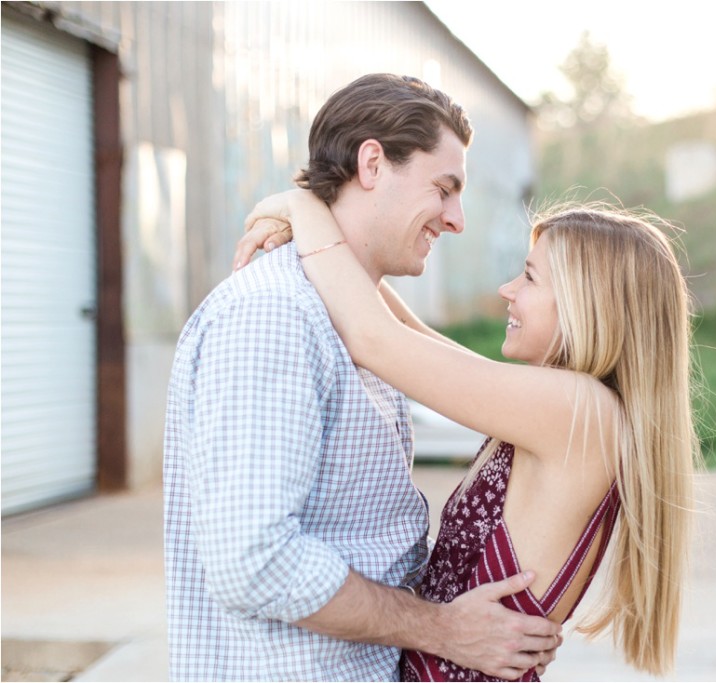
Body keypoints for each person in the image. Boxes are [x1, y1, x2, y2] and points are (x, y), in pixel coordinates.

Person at [163, 73, 561, 682]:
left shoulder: (352, 315)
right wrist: (441, 627)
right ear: (371, 162)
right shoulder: (273, 316)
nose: (456, 220)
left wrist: (303, 211)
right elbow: (255, 563)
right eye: (444, 189)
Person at [235, 188, 702, 680]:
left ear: (587, 304)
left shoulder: (575, 410)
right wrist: (329, 236)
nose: (507, 290)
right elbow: (407, 332)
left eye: (529, 276)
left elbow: (376, 338)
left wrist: (302, 206)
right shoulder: (565, 409)